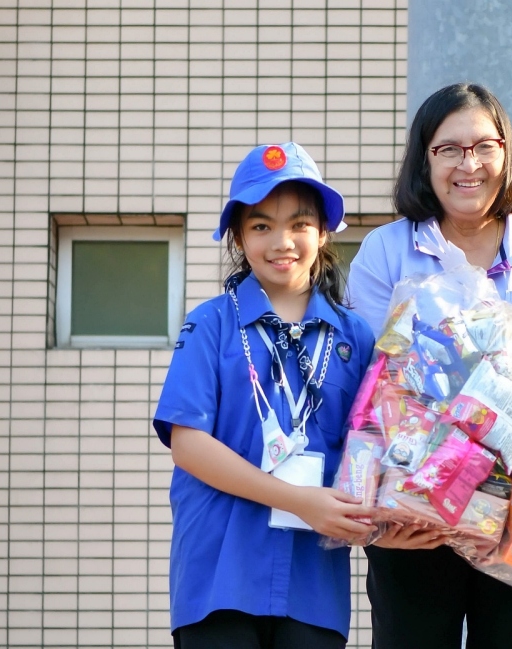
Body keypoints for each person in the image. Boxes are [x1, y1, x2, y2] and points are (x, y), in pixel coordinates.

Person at [345, 83, 512, 649]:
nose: (469, 164)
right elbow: (371, 387)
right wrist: (376, 513)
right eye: (449, 149)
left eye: (485, 146)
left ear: (506, 154)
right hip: (415, 513)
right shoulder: (386, 251)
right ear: (424, 159)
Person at [153, 142, 376, 649]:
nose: (282, 242)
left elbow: (373, 446)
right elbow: (188, 445)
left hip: (313, 582)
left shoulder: (355, 337)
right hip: (219, 574)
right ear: (238, 236)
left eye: (299, 224)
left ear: (323, 231)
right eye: (261, 226)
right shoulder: (210, 324)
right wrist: (299, 501)